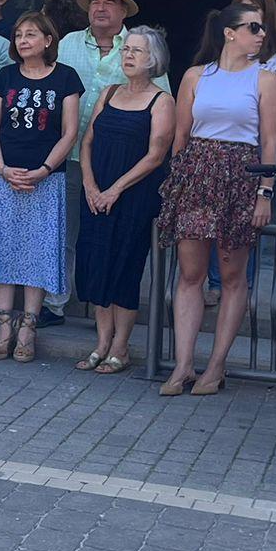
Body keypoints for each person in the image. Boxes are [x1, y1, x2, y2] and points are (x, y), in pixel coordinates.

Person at [156, 5, 276, 396]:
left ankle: (216, 365)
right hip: (197, 173)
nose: (261, 34)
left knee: (231, 276)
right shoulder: (196, 75)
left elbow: (270, 141)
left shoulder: (265, 79)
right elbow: (180, 135)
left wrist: (265, 193)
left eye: (262, 28)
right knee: (190, 273)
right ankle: (183, 365)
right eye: (254, 27)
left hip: (241, 176)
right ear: (229, 32)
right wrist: (175, 184)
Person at [55, 0, 168, 331]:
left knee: (117, 243)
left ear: (123, 11)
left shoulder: (139, 45)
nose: (100, 8)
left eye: (110, 2)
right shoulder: (68, 43)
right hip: (69, 156)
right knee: (67, 233)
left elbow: (163, 109)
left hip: (123, 166)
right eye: (95, 1)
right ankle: (56, 303)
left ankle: (108, 318)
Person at [0, 11, 83, 362]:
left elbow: (70, 132)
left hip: (47, 179)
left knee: (38, 251)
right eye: (19, 35)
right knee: (3, 247)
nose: (23, 40)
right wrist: (2, 168)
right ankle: (3, 327)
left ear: (48, 40)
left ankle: (28, 328)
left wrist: (44, 169)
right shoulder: (5, 76)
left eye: (31, 34)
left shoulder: (66, 78)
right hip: (6, 176)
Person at [73, 27, 173, 376]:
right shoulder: (109, 92)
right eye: (126, 49)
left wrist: (115, 189)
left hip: (134, 196)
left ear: (153, 59)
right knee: (98, 263)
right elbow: (87, 142)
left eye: (137, 51)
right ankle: (102, 343)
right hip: (96, 193)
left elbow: (155, 156)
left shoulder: (162, 101)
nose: (128, 55)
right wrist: (90, 185)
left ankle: (121, 347)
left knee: (125, 267)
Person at [206, 0, 276, 307]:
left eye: (254, 11)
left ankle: (242, 286)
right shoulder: (224, 50)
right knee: (217, 215)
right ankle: (216, 283)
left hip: (261, 141)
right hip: (223, 142)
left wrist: (241, 103)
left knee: (250, 217)